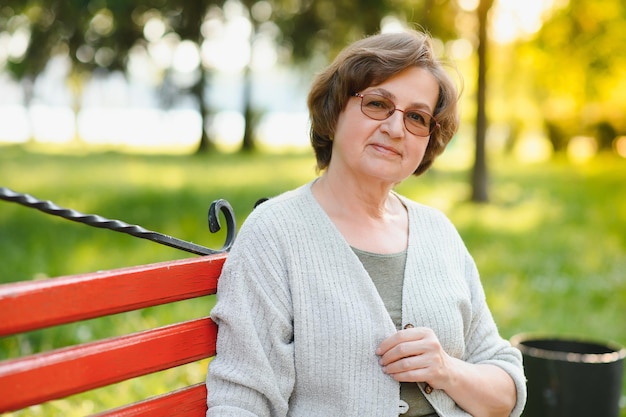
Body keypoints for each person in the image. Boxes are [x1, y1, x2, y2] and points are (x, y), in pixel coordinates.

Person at [206, 28, 526, 417]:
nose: (395, 129)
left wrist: (446, 370)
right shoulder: (276, 233)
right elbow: (241, 402)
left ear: (428, 139)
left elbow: (505, 389)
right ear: (336, 108)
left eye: (416, 117)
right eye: (377, 104)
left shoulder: (438, 232)